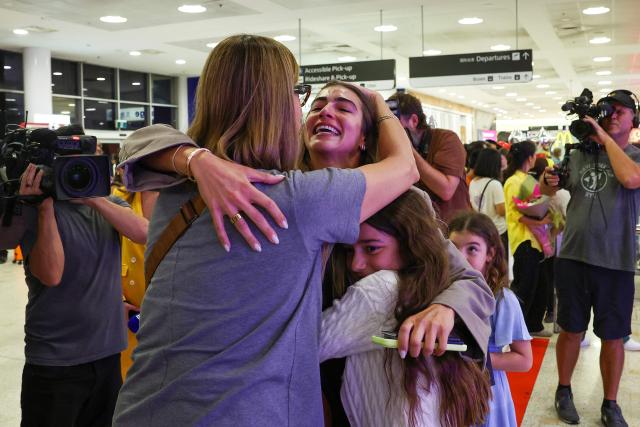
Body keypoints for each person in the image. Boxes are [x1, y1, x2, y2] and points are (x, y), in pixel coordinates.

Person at [112, 34, 419, 426]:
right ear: (276, 104)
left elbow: (137, 145)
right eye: (299, 93)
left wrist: (195, 160)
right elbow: (405, 166)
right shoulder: (298, 198)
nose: (304, 106)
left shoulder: (174, 188)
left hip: (148, 408)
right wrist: (378, 105)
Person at [303, 81, 495, 425]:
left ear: (366, 136)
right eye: (316, 106)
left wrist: (445, 308)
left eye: (344, 107)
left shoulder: (403, 200)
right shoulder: (284, 194)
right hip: (300, 384)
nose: (326, 111)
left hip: (371, 383)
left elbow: (468, 279)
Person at [0, 128, 148, 427]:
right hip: (55, 361)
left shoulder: (110, 206)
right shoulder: (34, 211)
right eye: (68, 164)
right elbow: (51, 274)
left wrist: (93, 198)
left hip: (108, 354)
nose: (76, 172)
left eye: (85, 164)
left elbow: (144, 232)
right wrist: (43, 207)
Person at [319, 190, 492, 427]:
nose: (355, 265)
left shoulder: (378, 290)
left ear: (411, 243)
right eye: (349, 251)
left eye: (372, 248)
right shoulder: (432, 283)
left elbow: (297, 349)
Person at [542, 89, 640, 426]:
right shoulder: (580, 154)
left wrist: (601, 135)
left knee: (612, 336)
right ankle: (564, 389)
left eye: (621, 111)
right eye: (608, 110)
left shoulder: (635, 157)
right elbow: (550, 189)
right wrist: (548, 181)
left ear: (634, 119)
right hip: (573, 256)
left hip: (616, 260)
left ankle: (610, 404)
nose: (613, 115)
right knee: (571, 330)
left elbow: (630, 179)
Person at [449, 211, 532, 427]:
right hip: (447, 391)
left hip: (486, 393)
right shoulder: (439, 293)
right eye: (453, 248)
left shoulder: (502, 300)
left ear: (490, 253)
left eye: (472, 249)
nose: (460, 257)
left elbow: (524, 360)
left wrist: (475, 358)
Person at [386, 92, 471, 223]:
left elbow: (446, 190)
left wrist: (409, 150)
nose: (391, 130)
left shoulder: (446, 139)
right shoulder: (393, 148)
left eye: (395, 124)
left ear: (414, 120)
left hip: (454, 229)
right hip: (422, 228)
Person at [110, 168, 158, 378]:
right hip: (128, 317)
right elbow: (99, 258)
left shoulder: (184, 199)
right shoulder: (116, 199)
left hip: (171, 313)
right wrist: (116, 301)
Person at [503, 140, 552, 337]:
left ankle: (533, 324)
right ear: (530, 157)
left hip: (537, 240)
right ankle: (515, 328)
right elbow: (515, 213)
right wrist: (540, 221)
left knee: (540, 285)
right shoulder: (513, 181)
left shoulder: (528, 179)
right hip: (524, 240)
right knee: (525, 286)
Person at [469, 148, 507, 255]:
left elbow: (473, 207)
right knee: (500, 263)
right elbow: (501, 211)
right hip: (498, 231)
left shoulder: (473, 182)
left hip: (482, 229)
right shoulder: (495, 184)